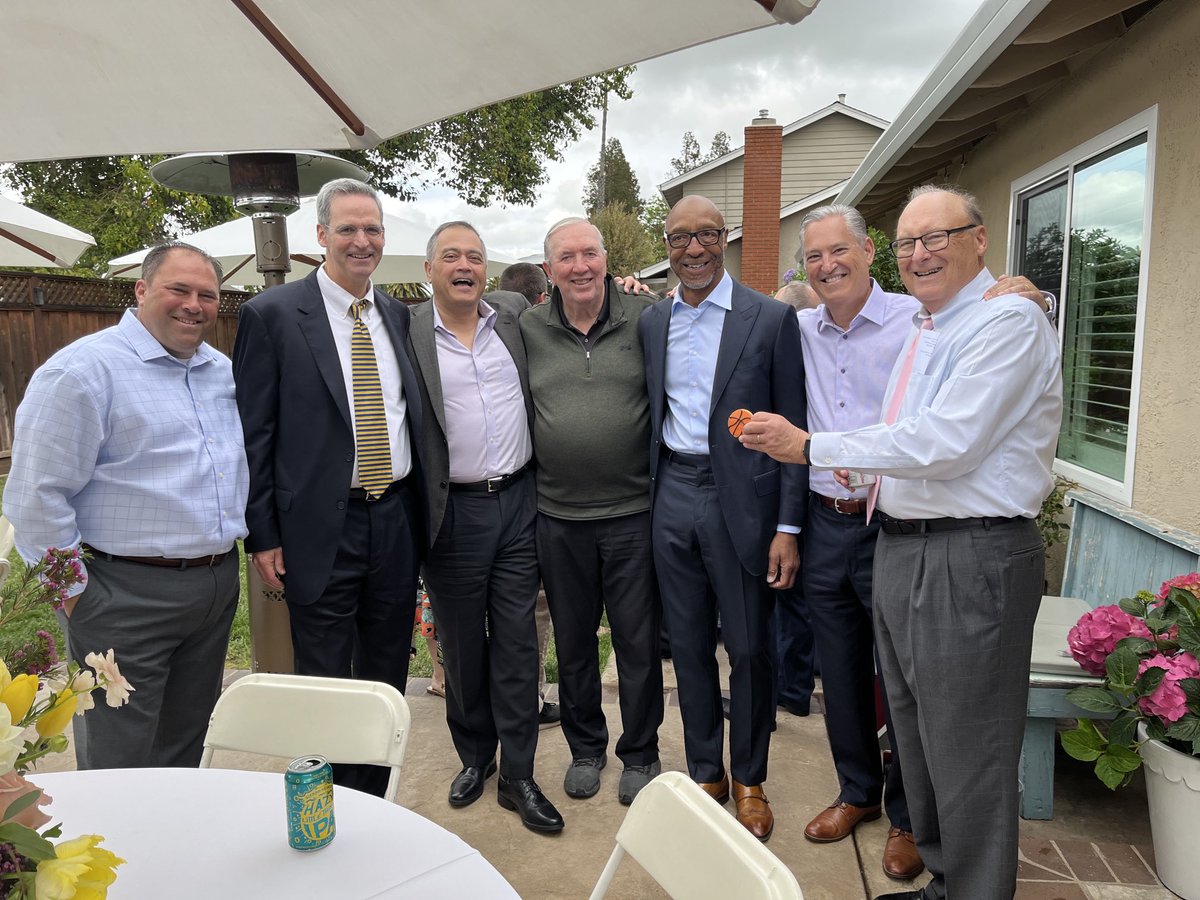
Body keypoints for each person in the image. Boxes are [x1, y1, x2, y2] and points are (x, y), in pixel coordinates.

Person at [741, 185, 1062, 900]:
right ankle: (946, 879)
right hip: (897, 539)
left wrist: (812, 446)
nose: (921, 254)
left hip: (969, 550)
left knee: (969, 747)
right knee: (918, 734)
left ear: (980, 239)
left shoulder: (1003, 320)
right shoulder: (931, 325)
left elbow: (947, 440)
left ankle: (972, 887)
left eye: (936, 237)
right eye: (911, 241)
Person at [3, 242, 247, 770]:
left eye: (207, 294)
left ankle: (171, 847)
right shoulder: (84, 371)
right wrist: (73, 596)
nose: (194, 305)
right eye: (178, 289)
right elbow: (36, 494)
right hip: (122, 593)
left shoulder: (221, 372)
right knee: (121, 752)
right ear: (141, 289)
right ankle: (117, 851)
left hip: (214, 584)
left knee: (186, 737)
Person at [232, 178, 424, 798]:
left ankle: (372, 799)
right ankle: (325, 804)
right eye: (347, 228)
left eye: (372, 229)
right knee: (323, 678)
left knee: (385, 673)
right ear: (320, 236)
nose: (361, 241)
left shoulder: (398, 315)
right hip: (317, 528)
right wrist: (262, 535)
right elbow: (254, 436)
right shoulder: (274, 315)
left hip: (393, 518)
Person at [638, 195, 806, 841]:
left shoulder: (767, 319)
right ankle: (706, 773)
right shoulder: (654, 321)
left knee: (749, 648)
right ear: (669, 245)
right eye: (681, 238)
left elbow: (796, 429)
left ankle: (750, 780)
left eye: (707, 234)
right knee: (687, 648)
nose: (695, 249)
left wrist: (788, 526)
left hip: (743, 505)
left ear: (726, 237)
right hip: (672, 494)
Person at [406, 221, 562, 834]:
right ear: (430, 270)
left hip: (519, 503)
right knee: (463, 645)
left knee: (519, 641)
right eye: (451, 256)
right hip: (453, 512)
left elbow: (585, 305)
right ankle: (475, 756)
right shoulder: (408, 330)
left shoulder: (514, 315)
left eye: (475, 256)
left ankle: (519, 773)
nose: (465, 265)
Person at [519, 217, 665, 806]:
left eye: (590, 254)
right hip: (557, 517)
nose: (580, 266)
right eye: (566, 257)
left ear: (607, 260)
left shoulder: (647, 317)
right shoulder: (526, 328)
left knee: (636, 642)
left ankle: (641, 751)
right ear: (548, 268)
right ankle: (586, 747)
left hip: (634, 513)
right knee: (574, 644)